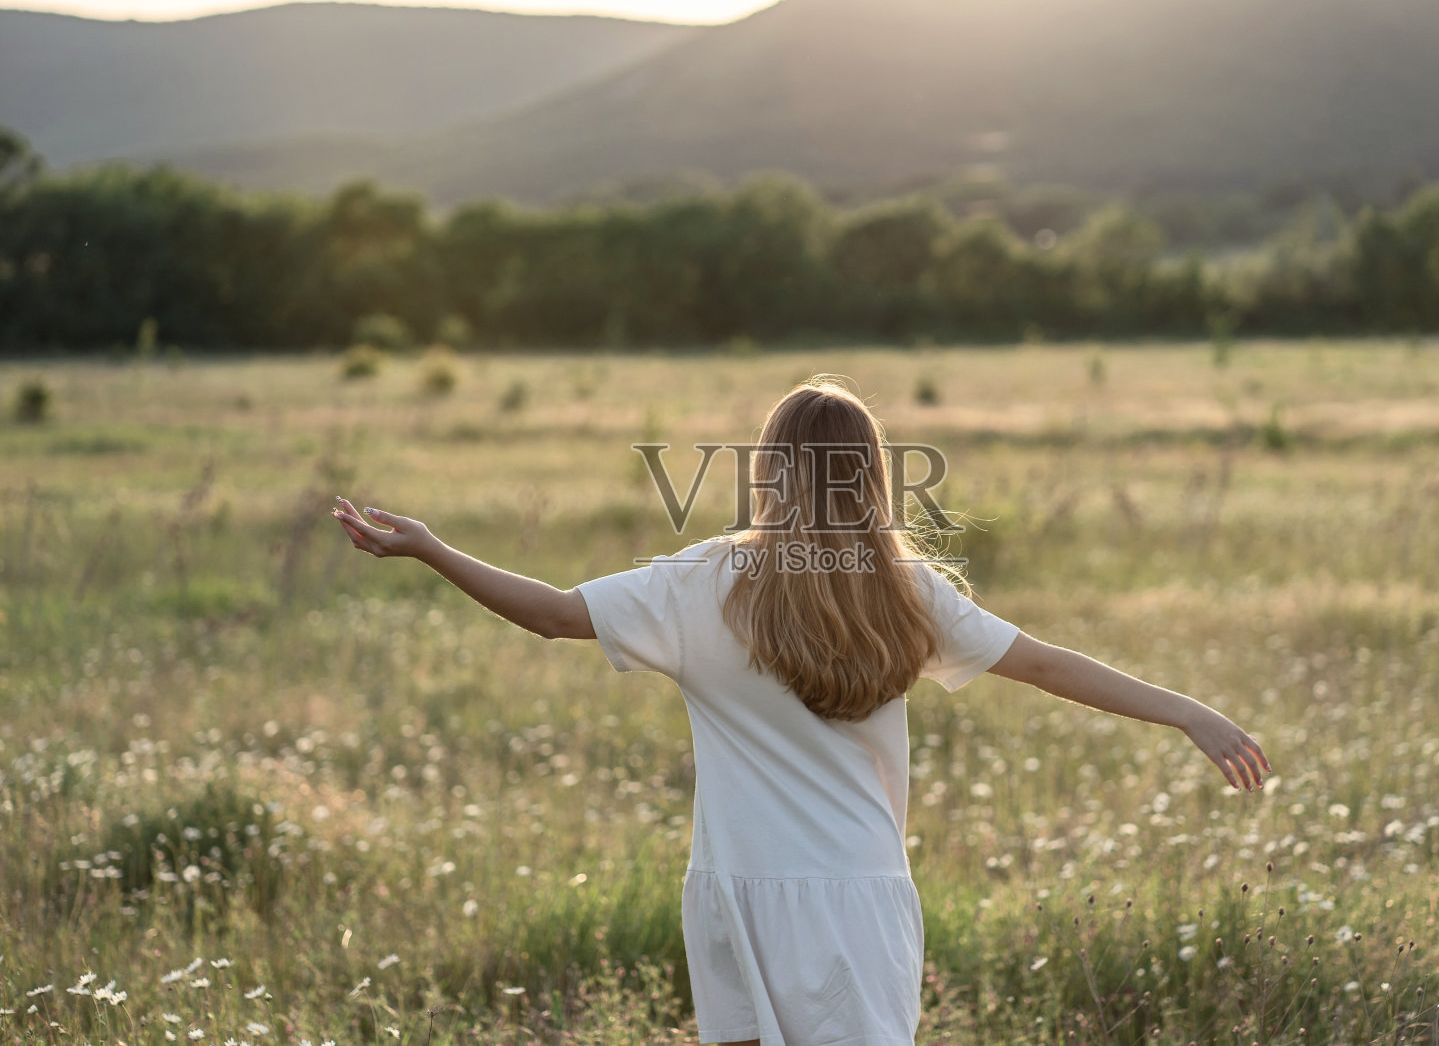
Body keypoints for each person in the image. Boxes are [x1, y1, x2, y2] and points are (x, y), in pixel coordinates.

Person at [330, 376, 1270, 1046]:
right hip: (858, 897)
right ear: (873, 474)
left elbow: (548, 613)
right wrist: (1188, 712)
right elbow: (1049, 664)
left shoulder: (706, 579)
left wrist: (431, 547)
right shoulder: (905, 589)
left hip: (734, 890)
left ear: (768, 470)